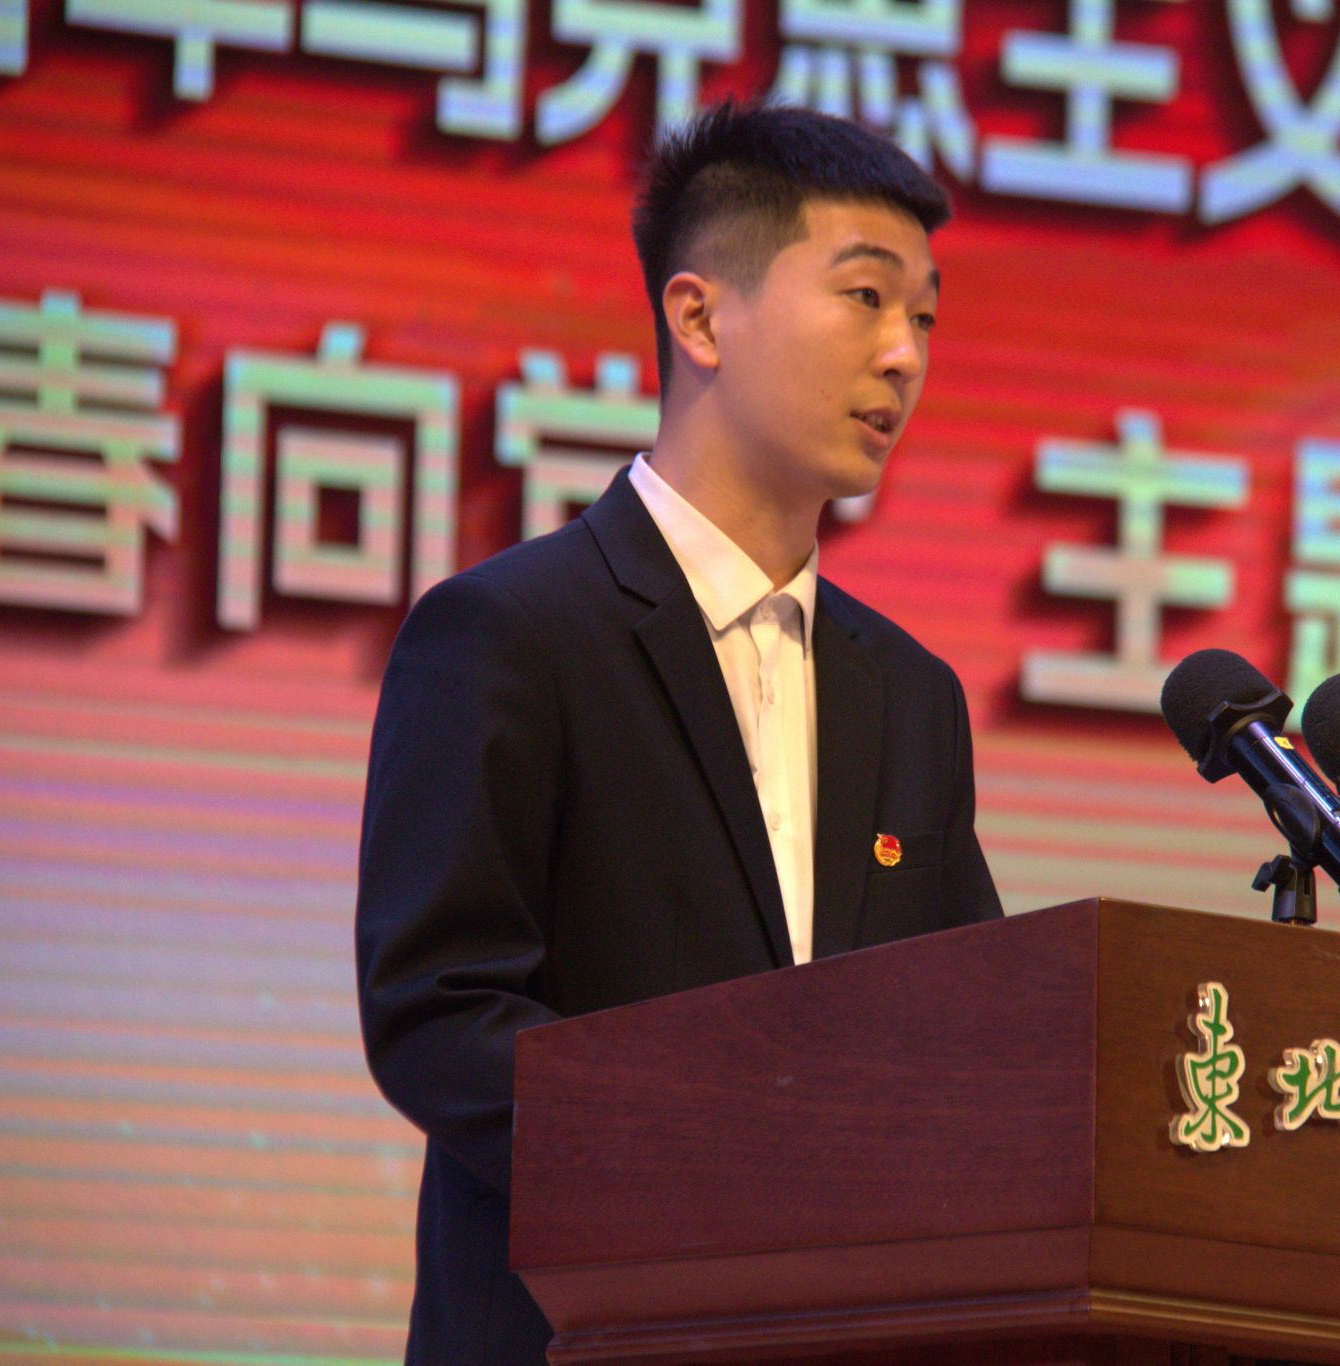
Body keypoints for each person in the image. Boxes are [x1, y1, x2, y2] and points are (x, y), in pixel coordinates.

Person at [354, 99, 1005, 1364]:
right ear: (698, 317)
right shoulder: (510, 632)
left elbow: (966, 1028)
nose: (903, 356)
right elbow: (439, 1011)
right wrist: (737, 1169)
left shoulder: (910, 693)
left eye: (924, 318)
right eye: (864, 297)